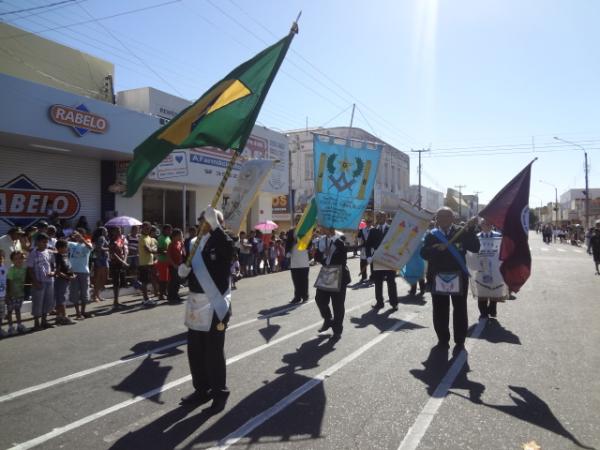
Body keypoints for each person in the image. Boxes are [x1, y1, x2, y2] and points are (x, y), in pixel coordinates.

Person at [178, 207, 234, 413]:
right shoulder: (192, 243)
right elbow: (187, 267)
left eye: (208, 219)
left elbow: (228, 249)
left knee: (213, 353)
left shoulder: (224, 240)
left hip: (215, 304)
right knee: (195, 351)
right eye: (201, 218)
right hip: (195, 304)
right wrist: (182, 272)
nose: (203, 222)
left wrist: (218, 227)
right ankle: (201, 389)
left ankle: (220, 394)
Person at [420, 207, 480, 353]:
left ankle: (460, 339)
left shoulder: (462, 231)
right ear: (436, 219)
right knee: (440, 310)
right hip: (438, 277)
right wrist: (435, 249)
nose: (443, 219)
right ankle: (442, 338)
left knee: (459, 309)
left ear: (453, 218)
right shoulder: (431, 235)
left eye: (447, 216)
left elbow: (475, 247)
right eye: (440, 216)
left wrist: (471, 230)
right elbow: (423, 253)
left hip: (458, 276)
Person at [314, 228, 350, 341]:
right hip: (326, 272)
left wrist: (335, 242)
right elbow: (317, 257)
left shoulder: (341, 238)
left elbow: (344, 254)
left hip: (339, 273)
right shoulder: (321, 240)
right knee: (319, 299)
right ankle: (328, 319)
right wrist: (323, 256)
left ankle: (337, 330)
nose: (322, 228)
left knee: (338, 304)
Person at [475, 219, 504, 319]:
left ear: (492, 225)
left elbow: (503, 250)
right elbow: (473, 252)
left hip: (495, 267)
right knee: (481, 289)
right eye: (484, 224)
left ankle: (492, 309)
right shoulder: (476, 237)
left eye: (489, 224)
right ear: (481, 226)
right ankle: (483, 312)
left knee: (494, 289)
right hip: (481, 267)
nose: (487, 226)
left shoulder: (498, 236)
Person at [27, 233, 56, 329]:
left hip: (49, 280)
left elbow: (52, 265)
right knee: (38, 302)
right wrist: (35, 282)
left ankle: (44, 321)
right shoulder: (33, 253)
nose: (45, 244)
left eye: (46, 242)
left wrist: (52, 272)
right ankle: (36, 323)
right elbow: (30, 269)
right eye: (43, 242)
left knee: (47, 302)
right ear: (38, 242)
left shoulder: (49, 252)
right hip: (39, 281)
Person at [369, 211, 398, 310]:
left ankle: (394, 303)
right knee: (378, 282)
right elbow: (368, 244)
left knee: (391, 282)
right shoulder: (373, 231)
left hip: (389, 259)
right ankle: (379, 302)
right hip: (377, 259)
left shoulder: (391, 229)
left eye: (381, 216)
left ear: (385, 217)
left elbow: (396, 243)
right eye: (378, 217)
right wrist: (369, 256)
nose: (379, 218)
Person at [68, 229, 93, 320]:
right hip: (73, 272)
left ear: (83, 235)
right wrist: (70, 236)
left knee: (84, 293)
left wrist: (83, 240)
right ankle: (78, 313)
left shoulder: (87, 243)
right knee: (74, 293)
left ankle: (83, 311)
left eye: (79, 234)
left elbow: (90, 248)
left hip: (84, 272)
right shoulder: (71, 244)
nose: (76, 236)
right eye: (75, 234)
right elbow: (61, 244)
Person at [286, 226, 310, 304]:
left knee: (304, 280)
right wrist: (287, 252)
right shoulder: (291, 231)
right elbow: (288, 242)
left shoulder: (306, 231)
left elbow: (309, 244)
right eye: (297, 220)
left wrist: (302, 239)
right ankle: (297, 297)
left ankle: (305, 296)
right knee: (296, 280)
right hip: (294, 260)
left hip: (304, 260)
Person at [54, 239, 75, 325]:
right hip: (61, 280)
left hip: (66, 279)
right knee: (61, 299)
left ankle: (59, 317)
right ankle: (64, 316)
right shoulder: (58, 256)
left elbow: (67, 267)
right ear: (60, 248)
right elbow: (58, 271)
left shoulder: (64, 255)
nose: (67, 248)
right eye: (66, 247)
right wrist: (67, 277)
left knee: (62, 298)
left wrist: (71, 275)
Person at [6, 250, 27, 334]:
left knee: (18, 310)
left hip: (20, 293)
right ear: (12, 260)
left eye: (20, 258)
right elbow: (9, 282)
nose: (18, 260)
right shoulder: (11, 270)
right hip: (12, 294)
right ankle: (10, 327)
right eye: (16, 259)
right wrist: (9, 294)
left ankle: (19, 325)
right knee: (10, 311)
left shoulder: (24, 268)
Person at [108, 227, 129, 310]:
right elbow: (113, 254)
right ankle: (115, 302)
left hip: (120, 263)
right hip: (115, 263)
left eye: (120, 231)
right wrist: (123, 262)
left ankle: (117, 301)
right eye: (117, 231)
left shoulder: (120, 239)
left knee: (120, 282)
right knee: (116, 282)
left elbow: (124, 250)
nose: (119, 232)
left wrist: (124, 260)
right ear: (113, 232)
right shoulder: (112, 241)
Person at [138, 222, 157, 307]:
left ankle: (146, 298)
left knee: (147, 281)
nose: (147, 230)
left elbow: (154, 247)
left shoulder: (149, 237)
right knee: (144, 282)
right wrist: (153, 249)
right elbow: (149, 250)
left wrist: (153, 249)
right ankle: (145, 299)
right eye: (145, 228)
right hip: (144, 263)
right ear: (142, 228)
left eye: (148, 228)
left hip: (150, 262)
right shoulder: (142, 238)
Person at [91, 227, 109, 302]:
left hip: (100, 259)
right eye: (106, 231)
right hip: (101, 259)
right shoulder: (102, 238)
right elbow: (99, 248)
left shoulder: (99, 238)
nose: (107, 232)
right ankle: (95, 295)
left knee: (99, 278)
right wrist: (109, 248)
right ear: (102, 232)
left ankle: (96, 295)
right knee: (99, 278)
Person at [167, 228, 184, 303]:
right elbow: (169, 256)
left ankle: (175, 295)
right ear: (175, 236)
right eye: (180, 235)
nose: (181, 236)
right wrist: (174, 264)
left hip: (179, 265)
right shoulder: (171, 245)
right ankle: (171, 296)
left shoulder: (179, 243)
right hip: (173, 266)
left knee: (178, 281)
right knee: (173, 281)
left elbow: (183, 253)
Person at [156, 224, 172, 301]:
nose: (170, 231)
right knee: (163, 279)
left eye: (170, 230)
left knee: (167, 279)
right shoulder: (161, 238)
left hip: (168, 261)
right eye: (168, 230)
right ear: (164, 230)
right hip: (162, 261)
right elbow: (159, 250)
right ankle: (161, 295)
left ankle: (165, 292)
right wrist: (167, 252)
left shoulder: (168, 238)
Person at [357, 218, 374, 283]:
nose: (368, 223)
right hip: (364, 248)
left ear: (371, 222)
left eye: (370, 222)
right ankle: (364, 277)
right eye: (367, 222)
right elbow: (359, 238)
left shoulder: (374, 230)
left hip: (372, 248)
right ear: (366, 223)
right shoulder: (362, 230)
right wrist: (360, 244)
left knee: (372, 263)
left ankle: (372, 276)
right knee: (363, 262)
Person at [0, 250, 7, 337]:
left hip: (2, 295)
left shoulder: (5, 269)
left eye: (1, 258)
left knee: (1, 313)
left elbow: (6, 282)